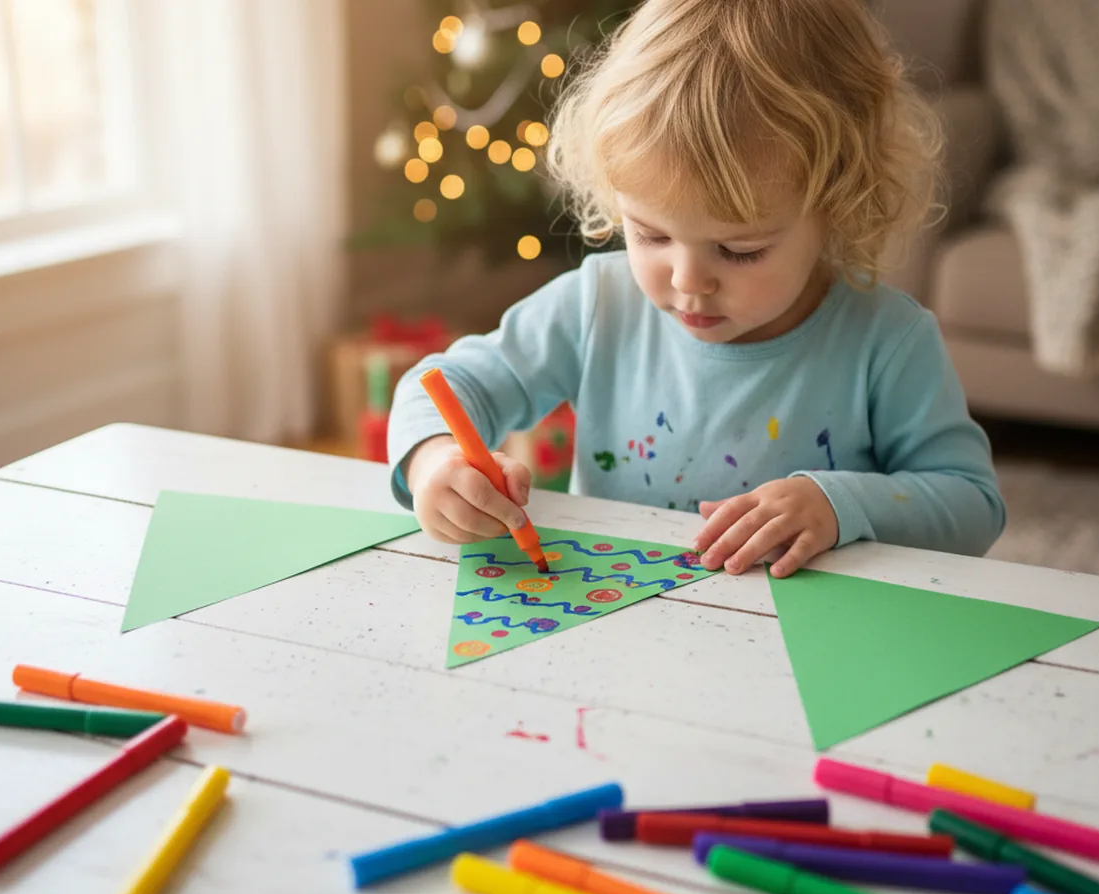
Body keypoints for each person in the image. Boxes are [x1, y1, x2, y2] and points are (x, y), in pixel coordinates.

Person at [387, 0, 1006, 578]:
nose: (687, 281)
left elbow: (972, 504)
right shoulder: (597, 305)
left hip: (805, 638)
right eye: (651, 234)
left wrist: (839, 504)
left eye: (740, 250)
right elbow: (441, 387)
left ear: (839, 206)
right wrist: (434, 461)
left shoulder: (887, 341)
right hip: (618, 621)